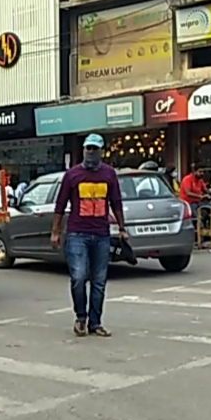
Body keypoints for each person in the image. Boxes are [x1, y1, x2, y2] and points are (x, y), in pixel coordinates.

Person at [50, 133, 126, 338]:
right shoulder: (72, 175)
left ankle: (95, 322)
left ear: (101, 151)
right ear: (83, 150)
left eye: (95, 149)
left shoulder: (109, 174)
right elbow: (60, 204)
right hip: (77, 234)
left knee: (99, 280)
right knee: (79, 277)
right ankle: (81, 317)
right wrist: (55, 231)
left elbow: (116, 202)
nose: (91, 152)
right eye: (88, 148)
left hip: (101, 234)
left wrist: (122, 227)